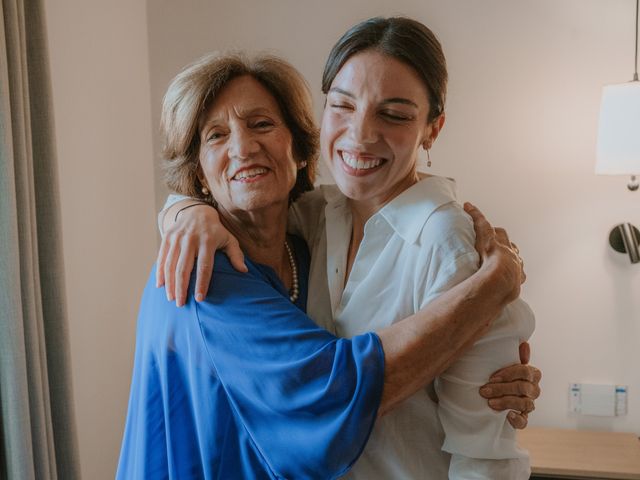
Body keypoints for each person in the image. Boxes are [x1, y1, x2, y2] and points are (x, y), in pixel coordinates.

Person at [157, 17, 541, 479]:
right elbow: (239, 192)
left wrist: (499, 288)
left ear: (432, 129)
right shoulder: (317, 214)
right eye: (342, 106)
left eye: (394, 114)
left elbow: (486, 459)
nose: (360, 134)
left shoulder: (452, 247)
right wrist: (184, 211)